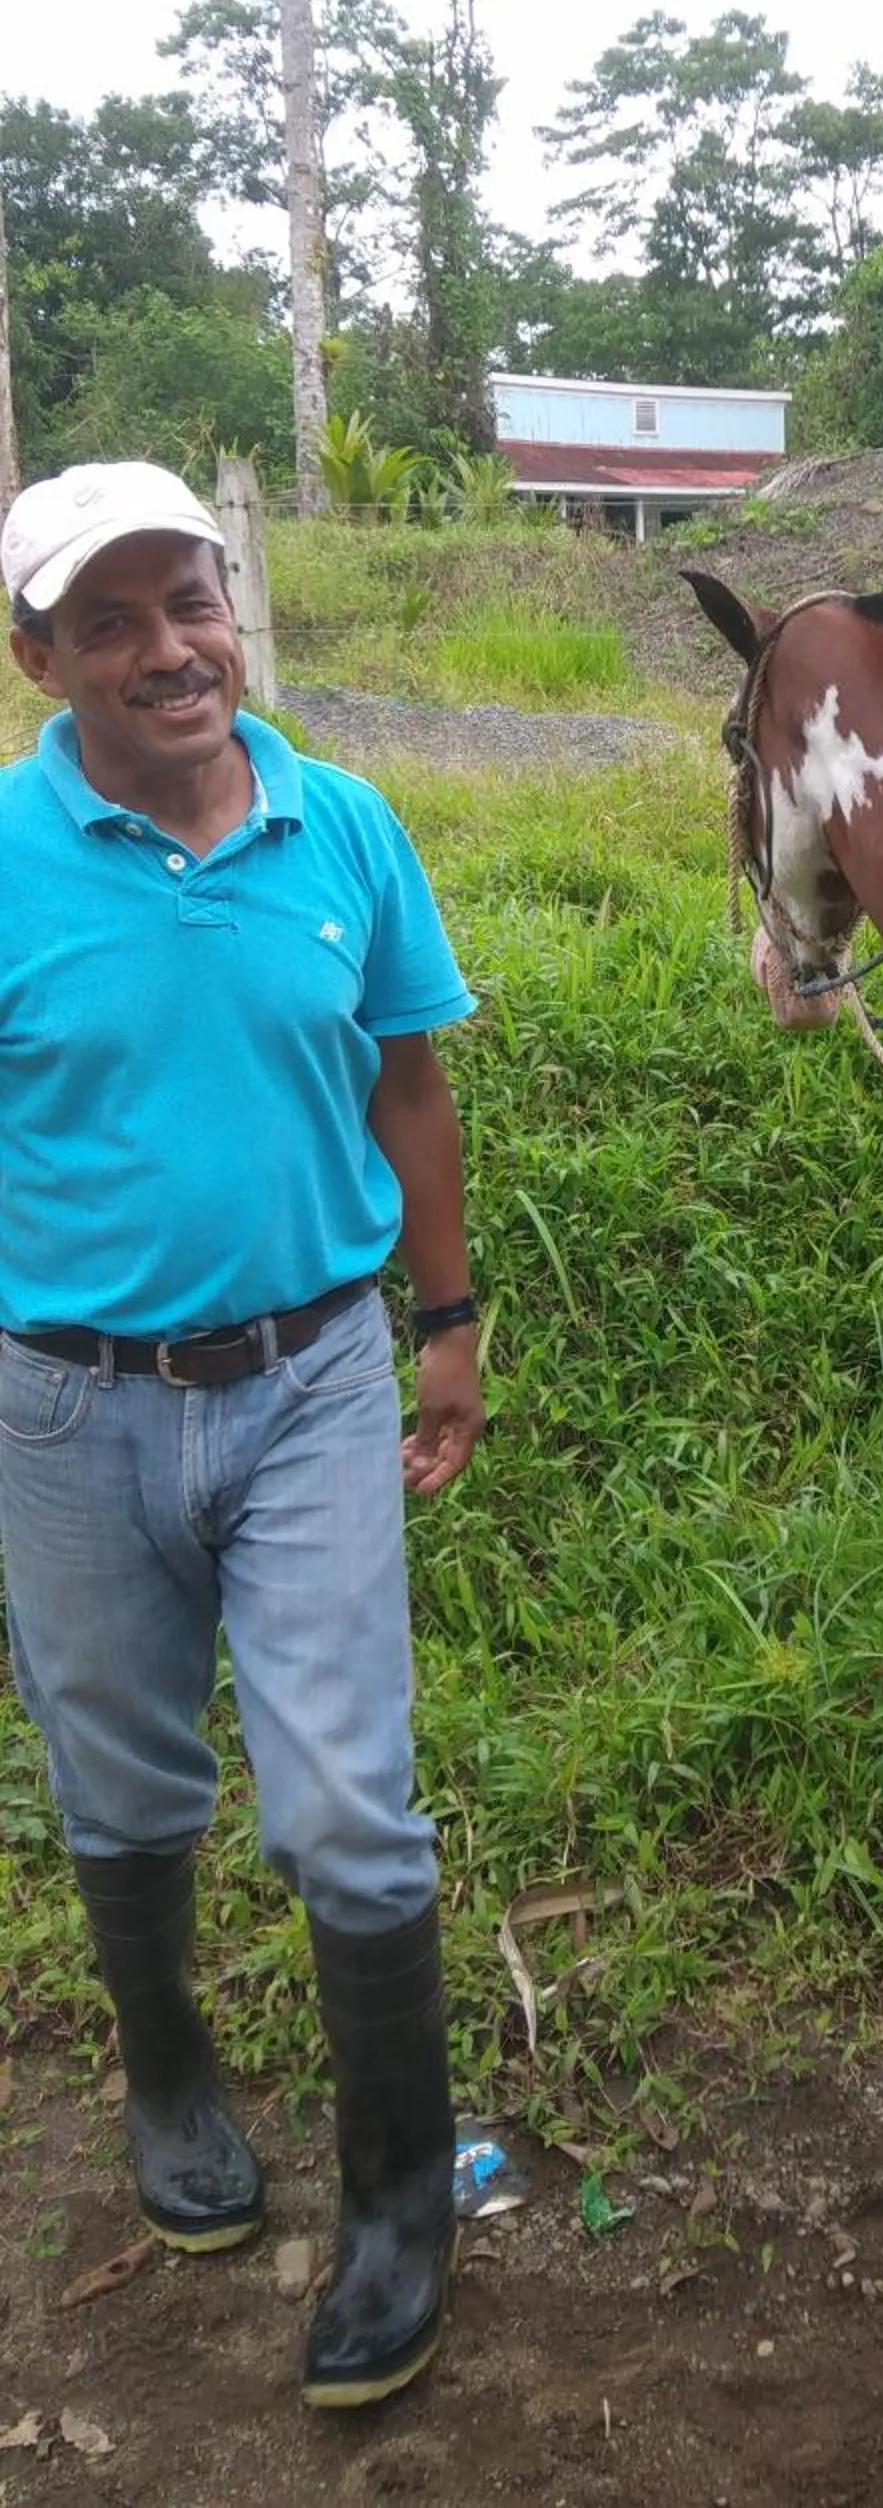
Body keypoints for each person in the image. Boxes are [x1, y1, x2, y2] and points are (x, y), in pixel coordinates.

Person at [0, 461, 485, 2407]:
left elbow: (411, 1082)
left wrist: (446, 1328)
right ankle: (173, 2077)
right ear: (40, 659)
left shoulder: (343, 826)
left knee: (346, 1804)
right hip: (62, 1405)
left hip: (309, 1382)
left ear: (234, 608)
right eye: (106, 623)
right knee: (121, 1788)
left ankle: (396, 2203)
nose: (165, 651)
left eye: (186, 602)